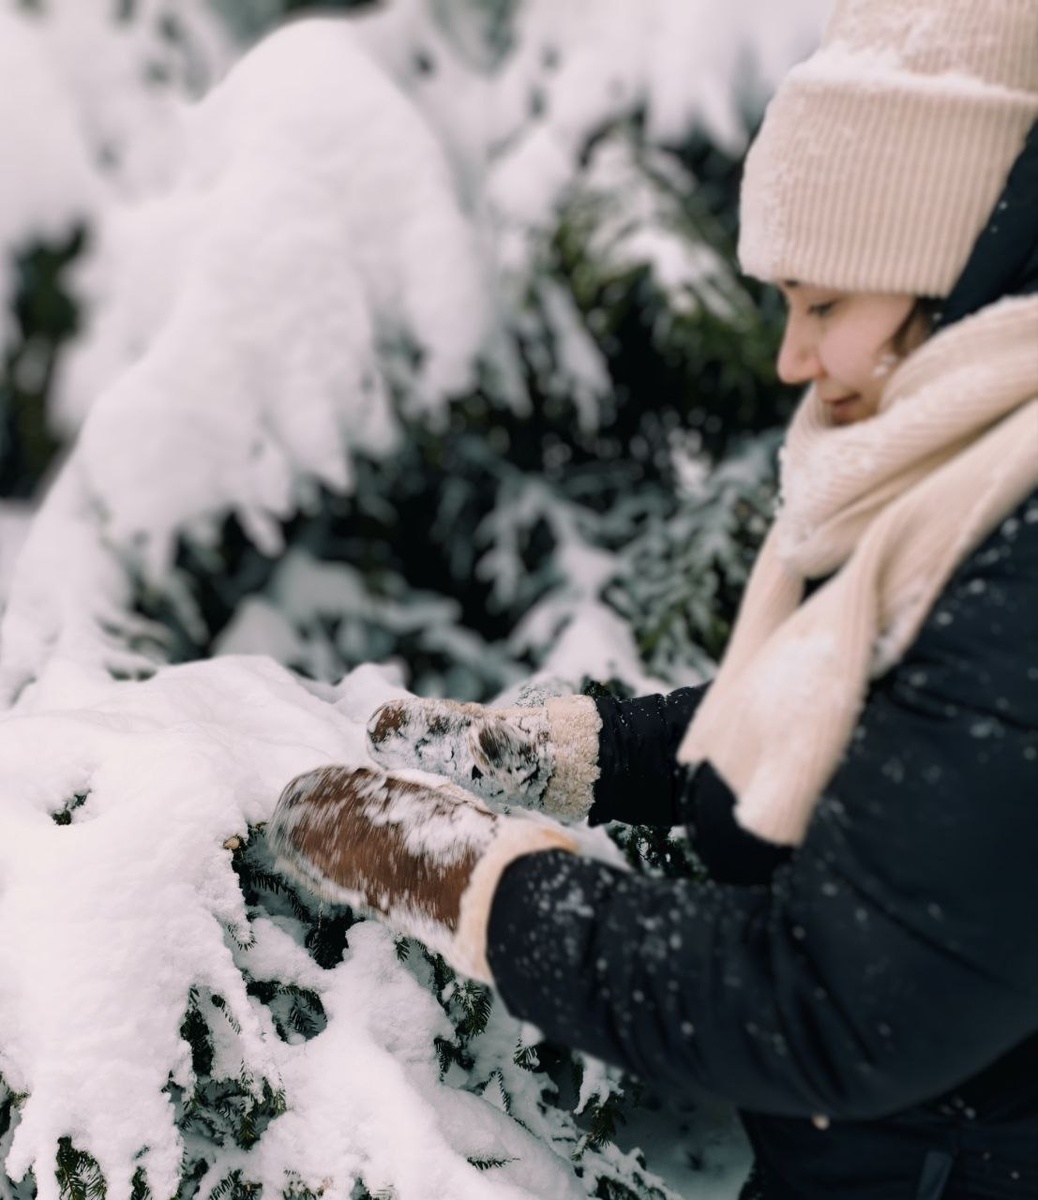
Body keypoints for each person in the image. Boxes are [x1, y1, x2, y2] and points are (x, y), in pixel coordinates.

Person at [267, 1, 1038, 1195]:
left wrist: (470, 876)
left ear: (958, 277)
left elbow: (835, 1009)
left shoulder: (1021, 548)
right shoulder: (966, 469)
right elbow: (861, 727)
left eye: (823, 304)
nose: (790, 359)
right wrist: (582, 754)